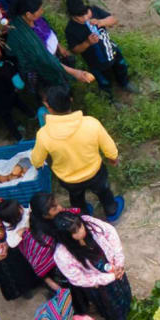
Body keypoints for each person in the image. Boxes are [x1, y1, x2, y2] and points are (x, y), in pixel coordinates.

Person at [31, 84, 122, 219]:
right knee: (103, 191)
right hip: (95, 172)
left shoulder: (43, 135)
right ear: (71, 100)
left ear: (48, 107)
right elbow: (109, 147)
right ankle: (111, 210)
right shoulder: (91, 123)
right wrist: (112, 158)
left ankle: (83, 214)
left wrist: (39, 165)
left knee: (76, 197)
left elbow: (37, 160)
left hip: (68, 180)